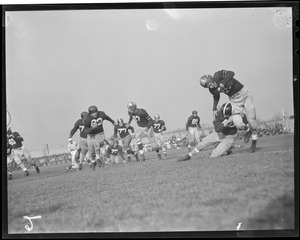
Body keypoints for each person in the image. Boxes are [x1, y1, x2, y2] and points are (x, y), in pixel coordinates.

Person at [199, 70, 258, 152]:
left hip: (244, 94)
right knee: (238, 123)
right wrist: (214, 108)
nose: (210, 86)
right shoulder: (212, 89)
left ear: (211, 79)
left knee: (251, 120)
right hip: (235, 100)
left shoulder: (218, 75)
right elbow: (216, 96)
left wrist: (223, 83)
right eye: (207, 86)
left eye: (209, 84)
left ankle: (254, 143)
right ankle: (247, 130)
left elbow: (231, 73)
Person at [177, 102, 248, 161]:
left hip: (230, 137)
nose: (226, 116)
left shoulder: (237, 114)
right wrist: (225, 123)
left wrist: (241, 119)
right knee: (203, 143)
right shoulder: (218, 114)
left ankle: (227, 151)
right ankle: (189, 155)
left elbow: (246, 122)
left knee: (214, 155)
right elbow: (217, 129)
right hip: (220, 134)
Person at [82, 105, 116, 170]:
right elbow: (85, 131)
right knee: (91, 149)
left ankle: (98, 159)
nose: (96, 114)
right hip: (90, 135)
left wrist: (112, 121)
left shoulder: (101, 114)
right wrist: (92, 128)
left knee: (96, 143)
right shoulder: (86, 118)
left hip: (100, 133)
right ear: (90, 113)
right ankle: (93, 162)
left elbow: (107, 117)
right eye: (94, 113)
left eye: (96, 112)